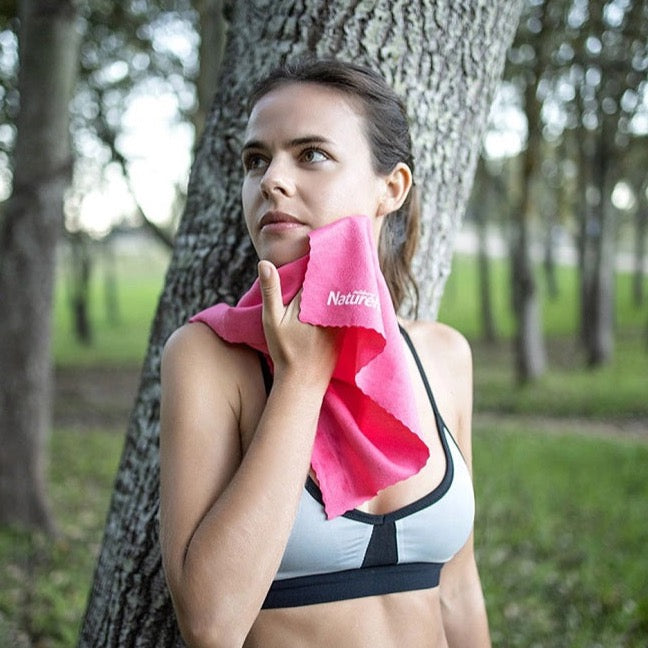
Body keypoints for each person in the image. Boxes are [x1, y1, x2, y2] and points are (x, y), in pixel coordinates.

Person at [159, 58, 491, 648]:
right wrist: (302, 379)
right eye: (256, 160)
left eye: (310, 154)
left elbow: (459, 590)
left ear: (391, 188)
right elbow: (210, 625)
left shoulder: (443, 356)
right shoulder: (207, 358)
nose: (271, 180)